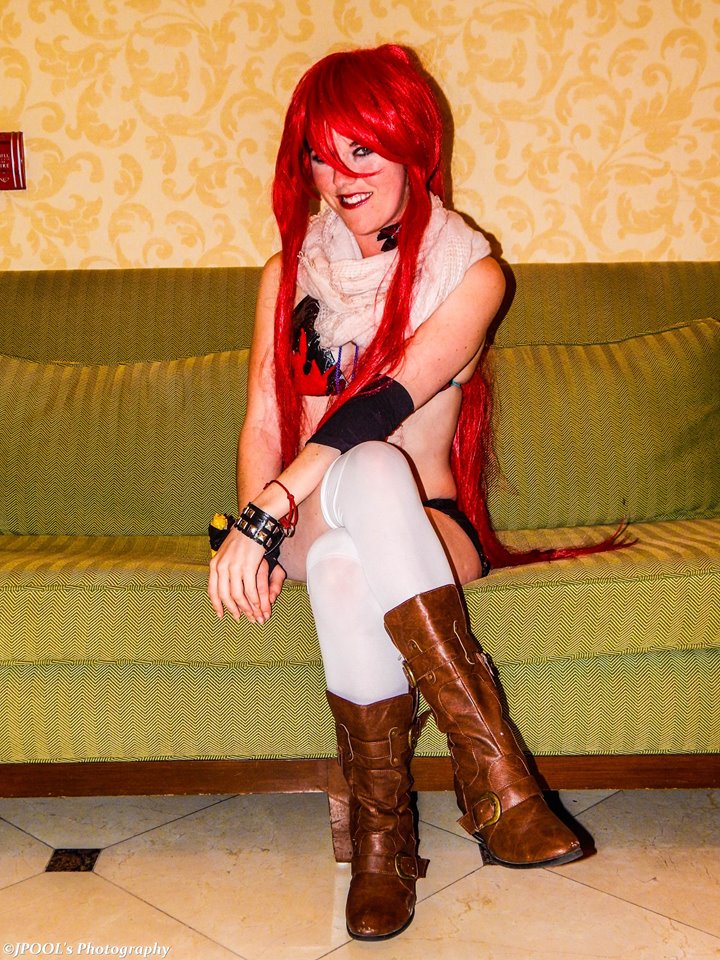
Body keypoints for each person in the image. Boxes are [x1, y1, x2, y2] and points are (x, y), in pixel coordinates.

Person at [208, 43, 587, 942]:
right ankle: (497, 782)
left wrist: (263, 512)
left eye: (363, 150)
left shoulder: (472, 274)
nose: (340, 177)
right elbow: (263, 420)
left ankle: (382, 846)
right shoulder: (285, 273)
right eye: (321, 154)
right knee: (354, 496)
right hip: (302, 517)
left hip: (427, 526)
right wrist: (262, 524)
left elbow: (385, 401)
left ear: (413, 145)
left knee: (363, 509)